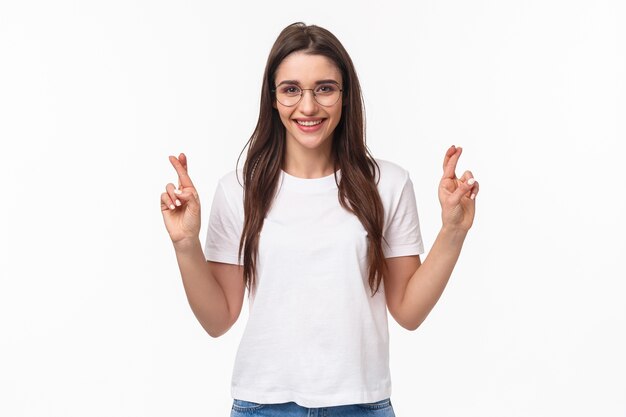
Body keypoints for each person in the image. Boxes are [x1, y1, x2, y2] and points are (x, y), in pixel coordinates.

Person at [161, 22, 479, 417]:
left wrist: (452, 231)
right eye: (291, 89)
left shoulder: (388, 184)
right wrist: (185, 244)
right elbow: (217, 319)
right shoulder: (238, 190)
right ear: (273, 99)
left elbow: (408, 312)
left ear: (345, 96)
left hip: (361, 405)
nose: (308, 106)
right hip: (264, 405)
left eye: (324, 88)